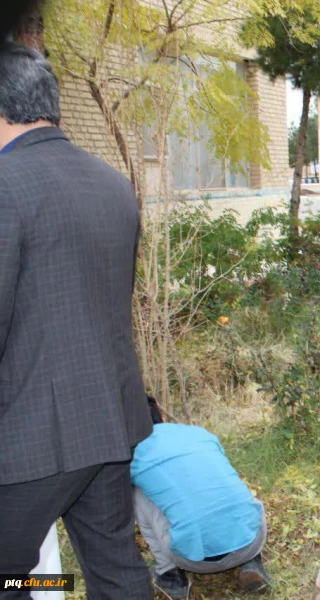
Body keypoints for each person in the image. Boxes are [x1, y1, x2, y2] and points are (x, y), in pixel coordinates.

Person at [0, 42, 153, 599]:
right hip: (109, 421)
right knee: (115, 568)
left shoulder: (6, 186)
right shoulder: (111, 183)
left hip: (27, 441)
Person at [131, 398, 270, 599]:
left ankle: (169, 576)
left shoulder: (132, 454)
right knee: (222, 482)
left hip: (192, 560)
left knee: (137, 492)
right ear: (161, 416)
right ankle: (251, 562)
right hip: (252, 542)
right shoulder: (198, 433)